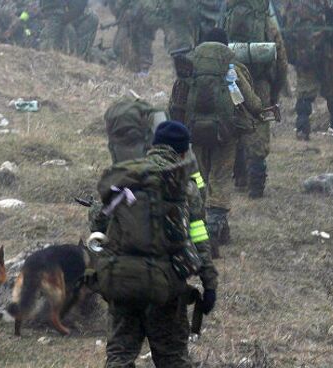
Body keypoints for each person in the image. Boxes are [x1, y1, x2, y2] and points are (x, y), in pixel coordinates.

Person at [91, 121, 217, 368]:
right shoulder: (184, 186)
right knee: (172, 358)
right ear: (183, 152)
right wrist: (209, 283)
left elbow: (98, 221)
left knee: (119, 355)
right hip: (164, 286)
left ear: (153, 146)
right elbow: (200, 240)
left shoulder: (127, 176)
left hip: (121, 280)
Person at [169, 28, 266, 256]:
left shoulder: (190, 65)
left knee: (201, 179)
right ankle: (213, 231)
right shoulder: (230, 66)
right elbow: (252, 103)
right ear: (226, 46)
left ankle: (209, 229)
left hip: (196, 133)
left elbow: (176, 103)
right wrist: (259, 111)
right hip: (225, 133)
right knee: (220, 179)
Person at [226, 0, 289, 198]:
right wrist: (277, 87)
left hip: (234, 77)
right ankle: (256, 183)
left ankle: (240, 177)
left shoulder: (228, 15)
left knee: (236, 121)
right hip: (261, 80)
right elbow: (281, 57)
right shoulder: (267, 20)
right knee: (259, 124)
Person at [285, 0, 333, 142]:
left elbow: (288, 25)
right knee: (332, 91)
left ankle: (302, 129)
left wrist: (292, 53)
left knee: (304, 90)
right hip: (330, 53)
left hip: (304, 52)